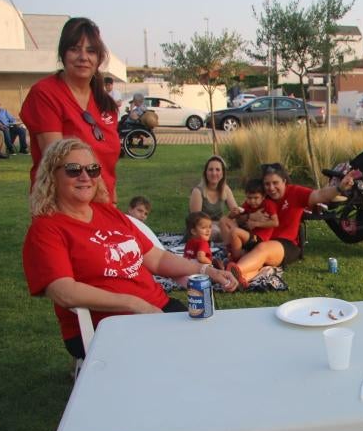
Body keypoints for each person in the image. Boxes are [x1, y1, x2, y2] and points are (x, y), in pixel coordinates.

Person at [22, 138, 237, 361]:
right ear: (52, 176)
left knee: (216, 345)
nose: (85, 177)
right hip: (106, 324)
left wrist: (204, 269)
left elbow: (157, 258)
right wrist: (132, 303)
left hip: (157, 308)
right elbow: (63, 291)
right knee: (187, 356)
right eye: (73, 170)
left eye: (92, 169)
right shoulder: (46, 229)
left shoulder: (108, 213)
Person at [20, 17, 121, 202]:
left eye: (91, 51)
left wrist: (112, 201)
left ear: (98, 58)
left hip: (102, 203)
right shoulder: (45, 93)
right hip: (63, 205)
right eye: (74, 49)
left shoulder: (104, 103)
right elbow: (56, 156)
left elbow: (108, 162)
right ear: (63, 54)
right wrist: (101, 194)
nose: (83, 57)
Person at [226, 163, 359, 287]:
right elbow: (241, 216)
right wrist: (249, 217)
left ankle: (230, 274)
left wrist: (339, 188)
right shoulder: (261, 196)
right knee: (243, 240)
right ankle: (241, 278)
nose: (271, 188)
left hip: (285, 244)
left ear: (284, 181)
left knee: (263, 249)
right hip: (259, 239)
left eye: (275, 183)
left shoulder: (295, 192)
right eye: (267, 184)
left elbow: (321, 194)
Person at [222, 178, 279, 261]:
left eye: (256, 198)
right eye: (249, 198)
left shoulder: (268, 204)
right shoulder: (247, 204)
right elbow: (238, 218)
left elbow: (275, 222)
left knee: (235, 232)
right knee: (224, 220)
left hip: (258, 238)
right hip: (248, 234)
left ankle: (236, 258)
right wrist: (234, 214)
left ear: (263, 196)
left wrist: (257, 224)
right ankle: (230, 251)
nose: (252, 201)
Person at [188, 155, 240, 241]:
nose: (214, 173)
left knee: (235, 227)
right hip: (202, 228)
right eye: (210, 170)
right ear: (206, 173)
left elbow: (236, 210)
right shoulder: (197, 192)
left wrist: (235, 213)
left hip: (219, 225)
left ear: (222, 173)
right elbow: (195, 220)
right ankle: (231, 247)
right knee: (220, 232)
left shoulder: (225, 189)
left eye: (217, 170)